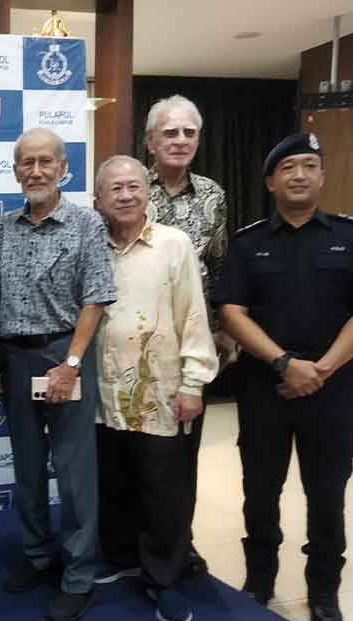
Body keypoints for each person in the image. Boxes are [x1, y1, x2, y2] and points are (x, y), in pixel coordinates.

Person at [214, 132, 353, 621]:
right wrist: (284, 364)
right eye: (287, 167)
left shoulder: (351, 238)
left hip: (331, 390)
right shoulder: (249, 244)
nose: (298, 174)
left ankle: (323, 591)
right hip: (264, 387)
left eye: (308, 165)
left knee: (327, 491)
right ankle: (259, 581)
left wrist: (322, 369)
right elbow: (231, 311)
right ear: (271, 180)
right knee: (261, 489)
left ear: (322, 175)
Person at [0, 127, 116, 621]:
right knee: (26, 468)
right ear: (16, 170)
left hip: (65, 355)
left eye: (46, 162)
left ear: (64, 168)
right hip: (18, 359)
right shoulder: (6, 226)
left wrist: (72, 364)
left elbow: (96, 297)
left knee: (75, 472)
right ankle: (39, 554)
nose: (36, 171)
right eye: (26, 163)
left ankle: (80, 574)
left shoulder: (85, 224)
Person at [92, 155, 218, 621]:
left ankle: (164, 577)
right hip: (105, 395)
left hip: (162, 392)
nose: (126, 196)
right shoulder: (92, 245)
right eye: (115, 189)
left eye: (134, 186)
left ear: (147, 191)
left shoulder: (174, 244)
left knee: (165, 490)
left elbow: (192, 315)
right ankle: (123, 557)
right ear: (98, 199)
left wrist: (193, 382)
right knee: (116, 482)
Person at [143, 94, 231, 577]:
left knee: (183, 451)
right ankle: (139, 543)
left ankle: (181, 540)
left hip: (190, 345)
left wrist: (220, 331)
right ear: (150, 140)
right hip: (138, 341)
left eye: (188, 133)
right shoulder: (132, 187)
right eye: (169, 132)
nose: (179, 141)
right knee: (140, 451)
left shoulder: (214, 194)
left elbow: (217, 265)